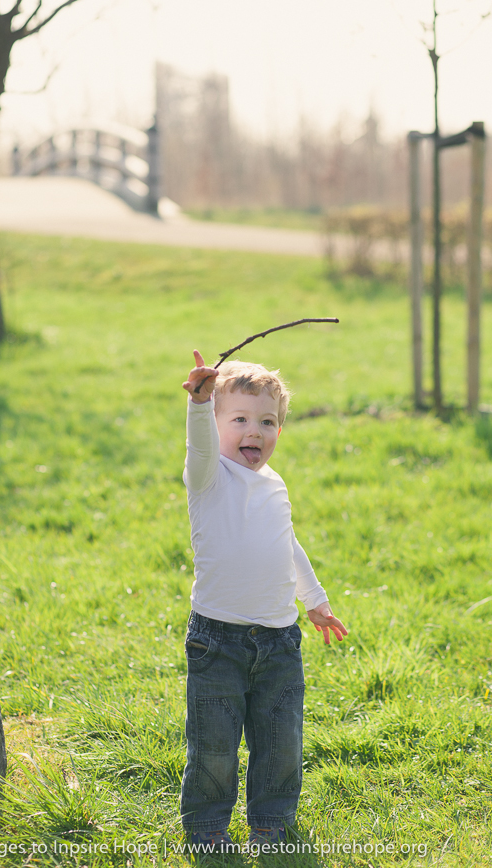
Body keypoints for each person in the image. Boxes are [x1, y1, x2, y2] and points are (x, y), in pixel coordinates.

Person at [180, 350, 348, 853]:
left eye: (267, 421)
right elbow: (200, 447)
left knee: (280, 742)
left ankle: (272, 823)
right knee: (214, 745)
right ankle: (207, 827)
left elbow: (286, 544)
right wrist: (199, 403)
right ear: (214, 424)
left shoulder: (274, 484)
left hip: (279, 640)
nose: (254, 430)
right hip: (218, 640)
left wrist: (314, 602)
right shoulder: (208, 477)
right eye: (239, 419)